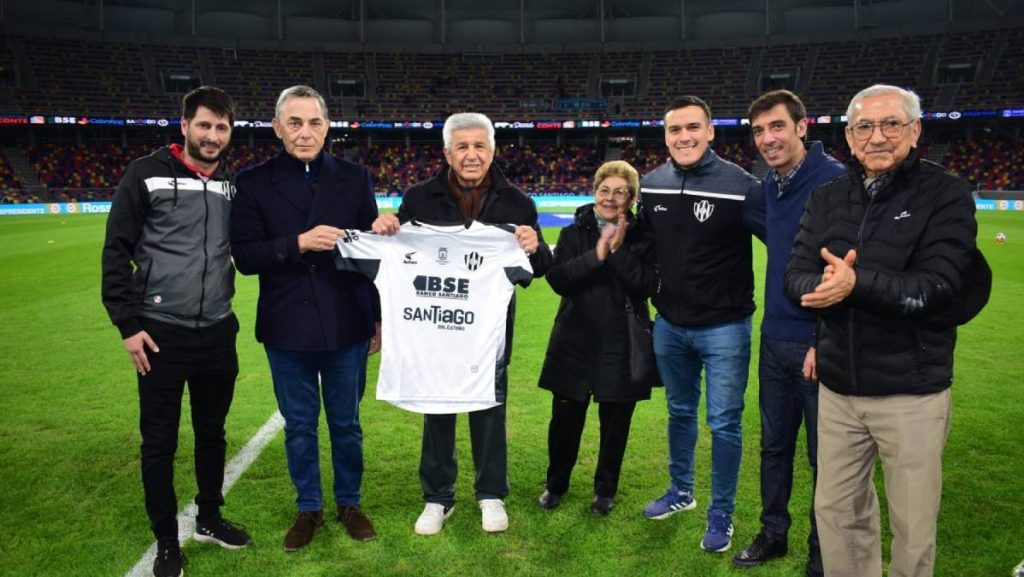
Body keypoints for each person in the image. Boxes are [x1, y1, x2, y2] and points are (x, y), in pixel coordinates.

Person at [785, 84, 979, 577]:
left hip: (911, 390)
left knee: (912, 527)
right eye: (864, 127)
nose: (877, 137)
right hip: (839, 389)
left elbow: (937, 285)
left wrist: (853, 284)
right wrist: (825, 285)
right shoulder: (828, 197)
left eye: (891, 124)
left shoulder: (946, 193)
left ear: (914, 132)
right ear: (849, 138)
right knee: (837, 516)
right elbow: (795, 275)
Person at [372, 111, 552, 535]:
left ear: (493, 149)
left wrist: (535, 246)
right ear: (448, 153)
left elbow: (538, 269)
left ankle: (491, 494)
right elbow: (398, 253)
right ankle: (438, 498)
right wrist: (386, 228)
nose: (472, 155)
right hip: (433, 331)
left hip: (488, 335)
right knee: (437, 411)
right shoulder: (419, 197)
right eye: (463, 147)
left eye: (480, 146)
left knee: (489, 412)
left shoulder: (517, 202)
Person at [102, 86, 250, 577]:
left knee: (213, 433)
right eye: (204, 125)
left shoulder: (231, 182)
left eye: (221, 128)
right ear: (184, 125)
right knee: (159, 441)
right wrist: (128, 325)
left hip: (217, 331)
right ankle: (167, 539)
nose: (212, 136)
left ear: (230, 132)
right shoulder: (145, 174)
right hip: (160, 333)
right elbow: (115, 251)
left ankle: (209, 516)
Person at [230, 85, 380, 551]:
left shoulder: (355, 177)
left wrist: (377, 319)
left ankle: (349, 502)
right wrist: (298, 243)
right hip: (287, 325)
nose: (304, 132)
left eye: (314, 122)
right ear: (277, 128)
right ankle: (309, 507)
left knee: (346, 423)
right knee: (299, 424)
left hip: (346, 320)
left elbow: (371, 255)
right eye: (294, 123)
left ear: (327, 126)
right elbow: (245, 256)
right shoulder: (252, 182)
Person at [638, 95, 760, 553]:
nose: (683, 137)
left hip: (725, 327)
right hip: (669, 324)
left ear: (710, 132)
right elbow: (641, 245)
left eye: (693, 128)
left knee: (724, 423)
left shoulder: (741, 184)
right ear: (665, 135)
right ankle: (681, 492)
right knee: (680, 412)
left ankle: (721, 514)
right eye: (674, 130)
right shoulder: (653, 183)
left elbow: (784, 237)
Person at [733, 90, 845, 577]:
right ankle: (773, 534)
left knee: (826, 459)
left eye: (777, 127)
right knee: (774, 447)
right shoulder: (769, 187)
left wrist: (824, 339)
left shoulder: (836, 180)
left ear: (802, 127)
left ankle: (822, 554)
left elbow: (845, 271)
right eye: (758, 131)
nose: (767, 139)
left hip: (816, 345)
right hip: (773, 336)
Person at [536, 160, 658, 517]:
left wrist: (617, 253)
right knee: (564, 422)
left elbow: (647, 285)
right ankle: (555, 484)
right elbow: (558, 278)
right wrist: (597, 255)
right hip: (575, 339)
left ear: (632, 199)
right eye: (604, 189)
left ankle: (605, 490)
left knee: (616, 423)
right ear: (595, 192)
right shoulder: (575, 232)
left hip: (623, 342)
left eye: (620, 192)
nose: (610, 197)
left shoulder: (644, 236)